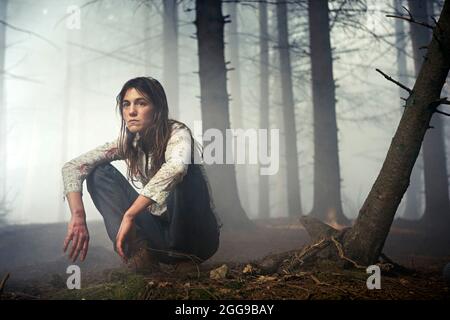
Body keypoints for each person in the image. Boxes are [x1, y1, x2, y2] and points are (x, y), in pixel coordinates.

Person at [61, 77, 221, 272]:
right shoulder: (129, 143)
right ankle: (140, 253)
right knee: (98, 173)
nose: (131, 111)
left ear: (158, 109)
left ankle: (184, 260)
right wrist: (78, 216)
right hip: (159, 236)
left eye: (141, 103)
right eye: (126, 104)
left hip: (198, 239)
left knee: (185, 172)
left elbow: (176, 168)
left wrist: (130, 214)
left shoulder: (178, 133)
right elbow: (74, 166)